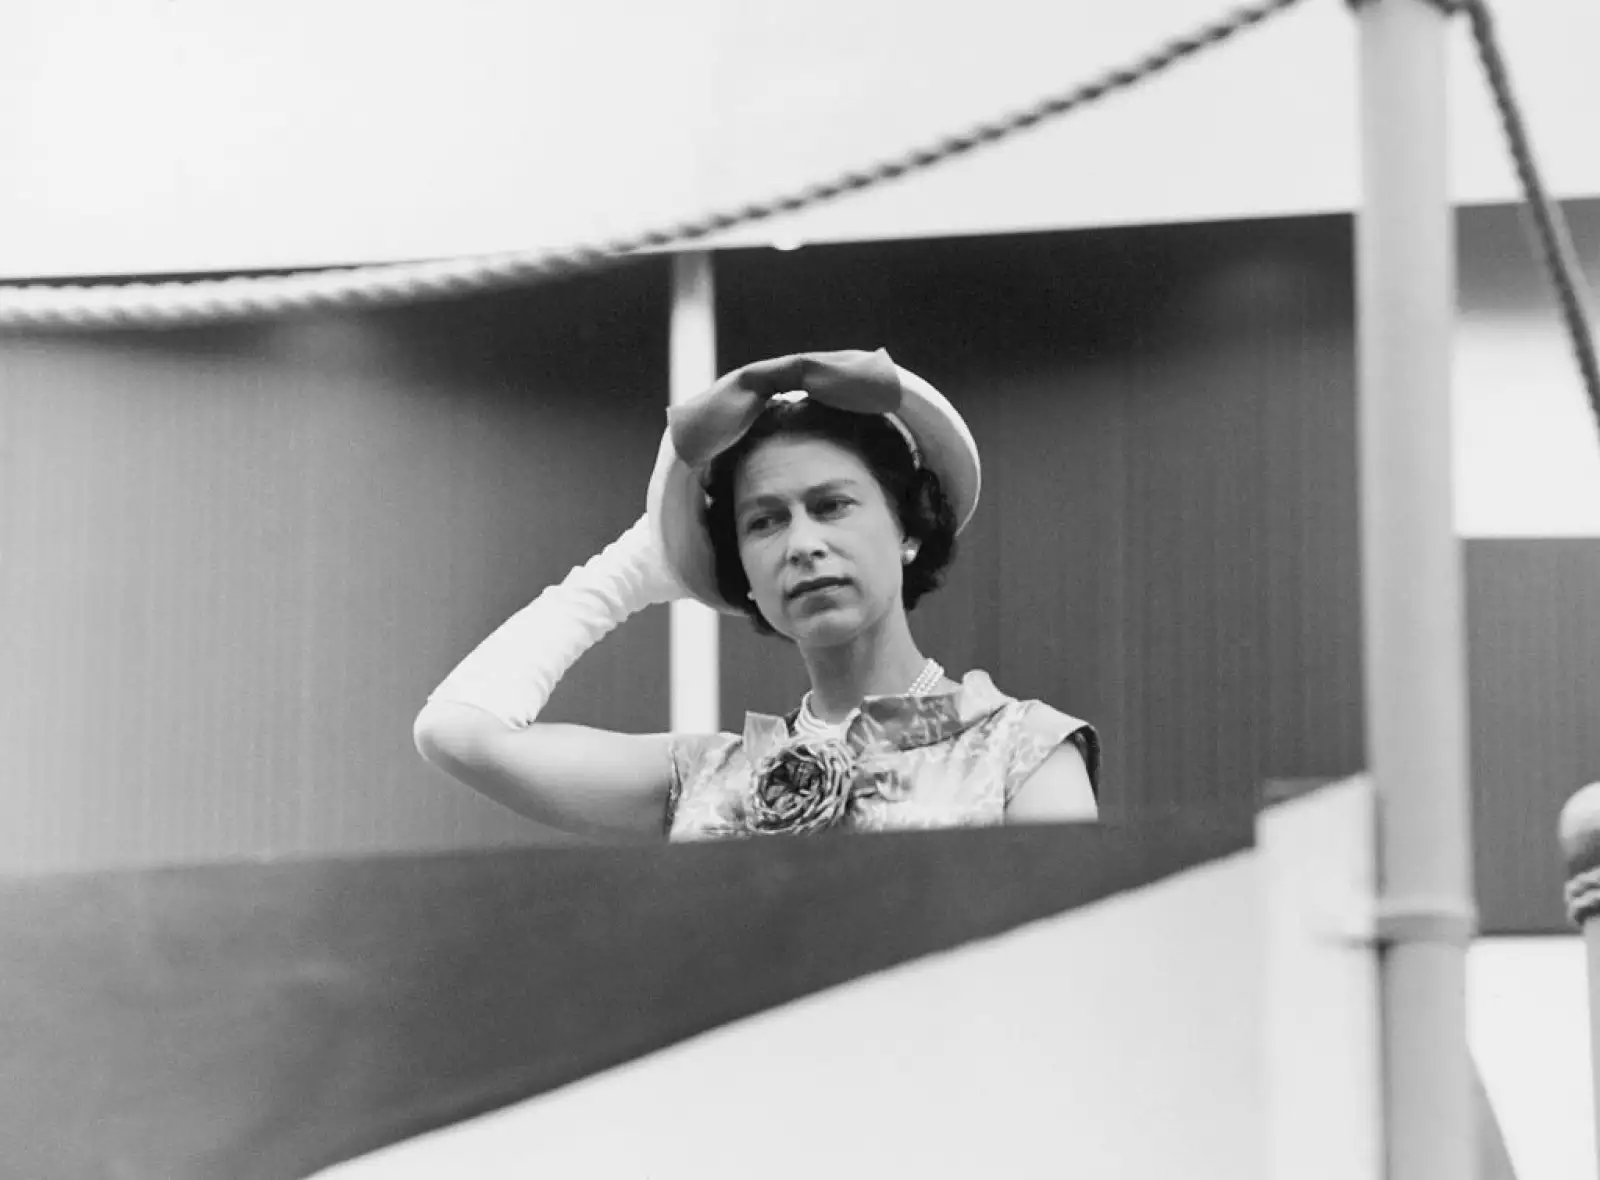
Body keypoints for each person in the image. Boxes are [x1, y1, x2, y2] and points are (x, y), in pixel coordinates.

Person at [413, 348, 1099, 841]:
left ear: (909, 528)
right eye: (765, 521)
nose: (801, 544)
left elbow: (1069, 989)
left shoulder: (1025, 747)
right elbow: (457, 732)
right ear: (739, 565)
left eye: (831, 506)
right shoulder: (700, 777)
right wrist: (628, 570)